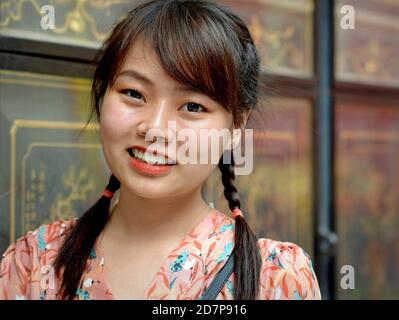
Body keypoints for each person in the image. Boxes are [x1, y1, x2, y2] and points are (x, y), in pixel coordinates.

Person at [0, 0, 321, 300]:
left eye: (193, 106)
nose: (155, 128)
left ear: (236, 126)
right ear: (102, 96)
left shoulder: (274, 278)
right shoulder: (35, 262)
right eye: (134, 93)